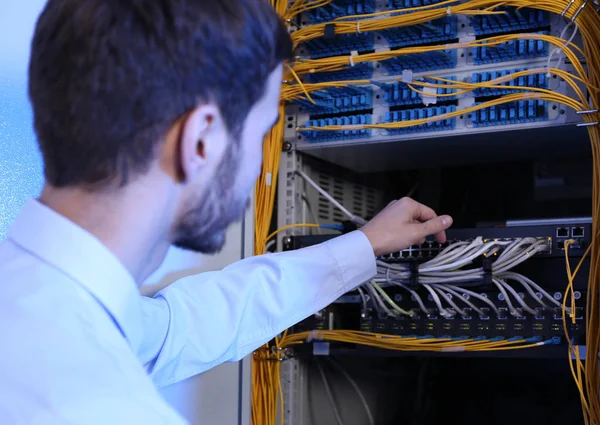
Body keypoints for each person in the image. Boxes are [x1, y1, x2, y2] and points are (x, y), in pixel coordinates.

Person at [0, 0, 453, 423]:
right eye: (260, 133)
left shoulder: (41, 304)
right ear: (202, 141)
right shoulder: (103, 407)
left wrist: (364, 246)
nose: (258, 165)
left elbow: (181, 327)